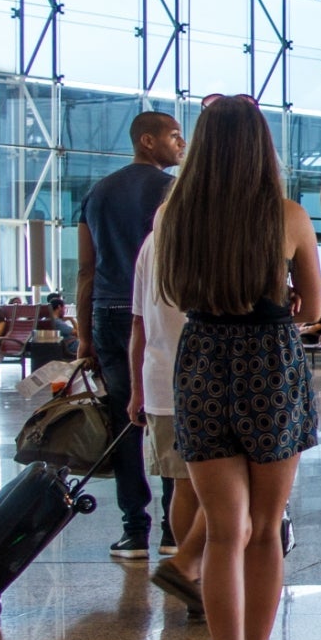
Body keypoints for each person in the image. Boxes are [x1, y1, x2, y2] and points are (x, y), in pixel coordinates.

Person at [159, 95, 320, 640]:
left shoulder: (176, 218)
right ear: (262, 148)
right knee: (266, 530)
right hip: (268, 364)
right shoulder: (286, 216)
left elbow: (171, 290)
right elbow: (314, 307)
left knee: (226, 531)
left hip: (201, 361)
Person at [76, 111, 186, 560]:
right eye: (175, 136)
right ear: (147, 140)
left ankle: (133, 529)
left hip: (109, 312)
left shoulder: (97, 193)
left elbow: (86, 269)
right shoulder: (172, 193)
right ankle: (171, 528)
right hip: (158, 313)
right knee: (165, 411)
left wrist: (85, 336)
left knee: (126, 421)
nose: (181, 144)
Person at [128, 225, 205, 620]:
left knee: (183, 484)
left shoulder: (153, 240)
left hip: (161, 380)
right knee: (231, 486)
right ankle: (189, 567)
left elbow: (139, 323)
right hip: (213, 375)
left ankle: (189, 573)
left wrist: (136, 389)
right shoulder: (214, 230)